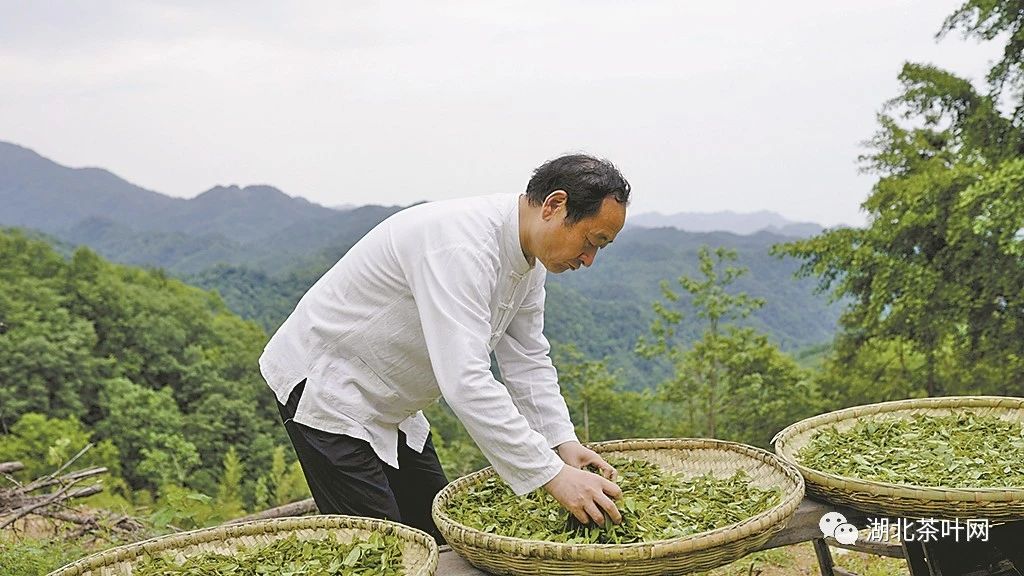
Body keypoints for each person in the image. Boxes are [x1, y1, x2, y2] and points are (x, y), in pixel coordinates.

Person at [259, 154, 630, 542]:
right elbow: (465, 380)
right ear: (554, 206)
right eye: (592, 241)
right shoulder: (462, 247)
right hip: (329, 390)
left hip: (392, 403)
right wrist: (553, 476)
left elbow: (528, 359)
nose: (589, 260)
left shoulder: (529, 262)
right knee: (383, 550)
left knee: (438, 533)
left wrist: (562, 442)